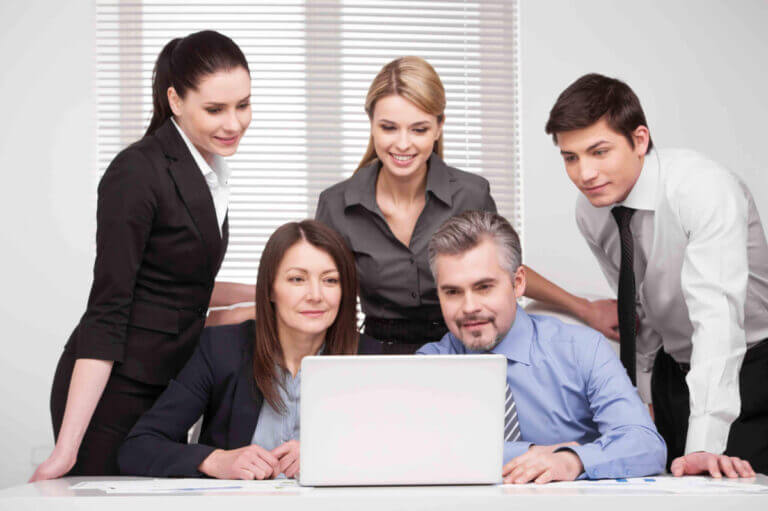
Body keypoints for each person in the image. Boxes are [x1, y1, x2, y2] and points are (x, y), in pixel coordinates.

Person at [32, 31, 254, 480]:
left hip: (167, 391)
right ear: (175, 100)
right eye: (215, 109)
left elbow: (183, 289)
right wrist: (65, 450)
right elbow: (109, 309)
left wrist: (270, 294)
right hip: (115, 393)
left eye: (243, 105)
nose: (234, 123)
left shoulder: (209, 167)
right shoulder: (136, 172)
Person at [315, 56, 616, 354]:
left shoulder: (471, 194)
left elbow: (505, 273)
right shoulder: (337, 205)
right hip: (375, 353)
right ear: (371, 124)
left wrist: (585, 309)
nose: (403, 144)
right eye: (389, 128)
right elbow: (321, 296)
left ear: (439, 126)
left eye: (418, 129)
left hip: (462, 349)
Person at [545, 73, 765, 477]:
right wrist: (641, 394)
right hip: (672, 372)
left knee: (729, 491)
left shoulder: (703, 189)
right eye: (570, 157)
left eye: (598, 151)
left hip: (750, 365)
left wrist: (703, 445)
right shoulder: (590, 210)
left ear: (640, 140)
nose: (584, 173)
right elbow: (638, 306)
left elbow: (717, 321)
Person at [418, 210, 666, 483]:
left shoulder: (581, 350)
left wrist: (573, 461)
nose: (469, 307)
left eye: (484, 287)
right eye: (452, 292)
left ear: (518, 282)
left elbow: (645, 445)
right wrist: (533, 454)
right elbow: (419, 452)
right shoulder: (431, 366)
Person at [118, 220, 359, 479]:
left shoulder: (371, 358)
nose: (315, 294)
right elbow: (137, 448)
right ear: (270, 289)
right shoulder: (221, 349)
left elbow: (404, 451)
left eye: (330, 280)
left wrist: (328, 454)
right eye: (297, 279)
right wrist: (214, 460)